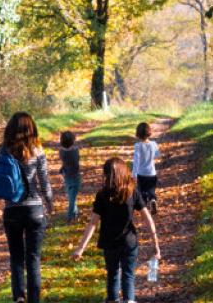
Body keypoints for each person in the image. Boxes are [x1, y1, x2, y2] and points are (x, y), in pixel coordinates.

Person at [0, 112, 53, 303]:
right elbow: (45, 182)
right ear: (31, 129)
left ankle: (19, 298)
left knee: (16, 258)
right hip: (34, 210)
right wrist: (50, 204)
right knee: (33, 259)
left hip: (11, 211)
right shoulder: (38, 150)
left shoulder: (1, 150)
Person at [72, 157, 162, 303]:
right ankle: (129, 300)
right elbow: (148, 219)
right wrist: (156, 245)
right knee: (128, 275)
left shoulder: (102, 195)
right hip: (129, 242)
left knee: (113, 274)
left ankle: (113, 300)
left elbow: (93, 224)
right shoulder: (133, 192)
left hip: (109, 243)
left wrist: (81, 248)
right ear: (124, 172)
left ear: (106, 175)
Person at [131, 122, 160, 214]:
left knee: (141, 191)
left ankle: (144, 209)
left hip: (141, 174)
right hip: (152, 173)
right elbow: (157, 155)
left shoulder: (138, 146)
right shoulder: (154, 144)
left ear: (138, 134)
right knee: (151, 190)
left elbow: (136, 161)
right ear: (149, 133)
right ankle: (152, 200)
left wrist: (134, 174)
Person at [59, 129, 81, 222]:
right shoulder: (75, 151)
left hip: (66, 175)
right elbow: (76, 164)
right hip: (75, 176)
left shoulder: (61, 152)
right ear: (72, 141)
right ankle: (70, 216)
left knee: (71, 195)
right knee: (72, 197)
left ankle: (75, 212)